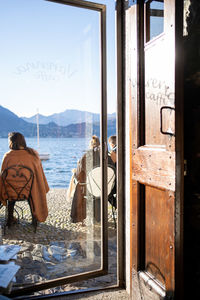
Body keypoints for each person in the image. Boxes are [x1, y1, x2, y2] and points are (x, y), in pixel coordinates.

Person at [0, 132, 49, 225]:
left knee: (10, 193)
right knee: (33, 188)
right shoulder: (33, 154)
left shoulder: (7, 156)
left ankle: (10, 219)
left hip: (10, 192)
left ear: (11, 142)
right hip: (29, 191)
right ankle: (34, 219)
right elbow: (39, 174)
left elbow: (2, 176)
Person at [70, 135, 100, 223]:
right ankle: (97, 216)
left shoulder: (86, 156)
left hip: (89, 186)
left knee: (78, 184)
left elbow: (79, 174)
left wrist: (75, 173)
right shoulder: (105, 155)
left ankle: (78, 217)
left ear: (90, 145)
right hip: (103, 186)